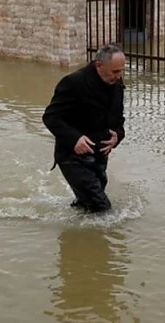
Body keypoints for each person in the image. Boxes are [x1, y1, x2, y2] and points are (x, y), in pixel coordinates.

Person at [42, 44, 126, 213]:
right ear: (99, 65)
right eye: (115, 71)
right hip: (72, 157)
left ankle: (73, 234)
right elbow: (50, 117)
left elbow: (118, 118)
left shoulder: (116, 83)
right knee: (102, 208)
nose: (119, 76)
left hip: (100, 154)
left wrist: (118, 135)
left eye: (121, 71)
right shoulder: (74, 82)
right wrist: (75, 138)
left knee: (87, 204)